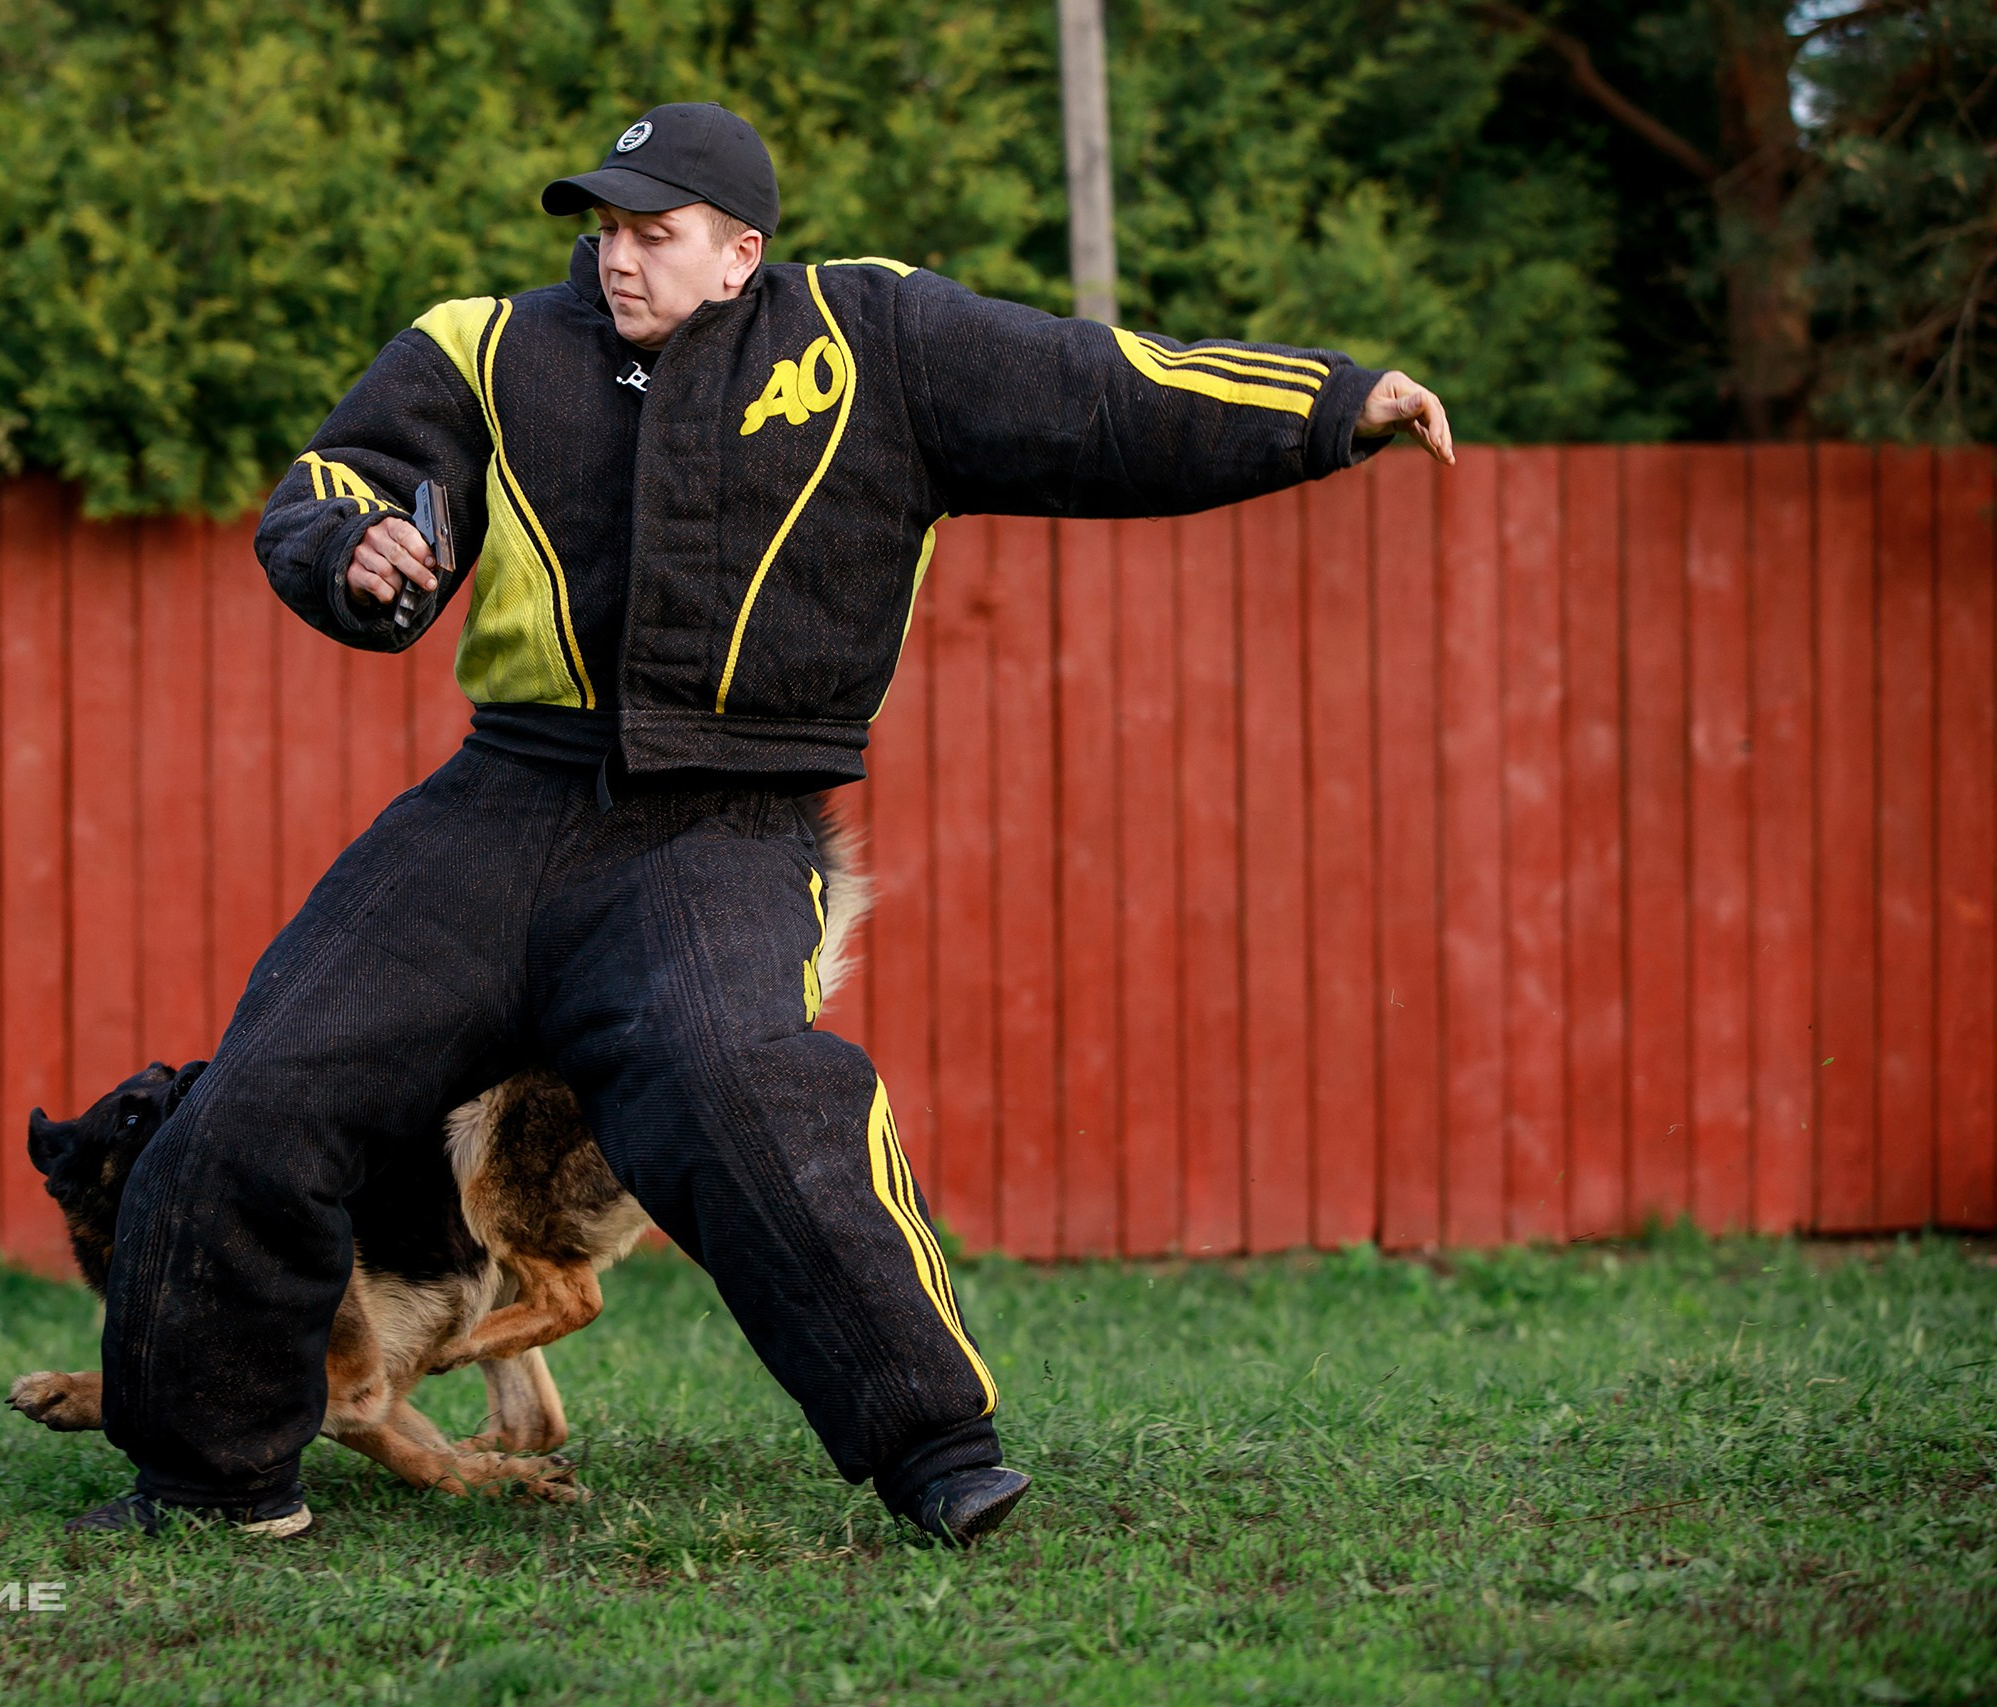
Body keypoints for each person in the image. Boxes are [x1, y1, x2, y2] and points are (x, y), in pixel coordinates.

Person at [76, 102, 1454, 1546]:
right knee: (253, 1097)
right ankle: (212, 1481)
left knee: (742, 1082)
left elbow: (1101, 392)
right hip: (497, 807)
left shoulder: (878, 343)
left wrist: (1332, 401)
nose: (617, 258)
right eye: (604, 228)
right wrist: (353, 545)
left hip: (726, 831)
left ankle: (937, 1451)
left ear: (738, 254)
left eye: (652, 234)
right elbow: (338, 479)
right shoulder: (482, 346)